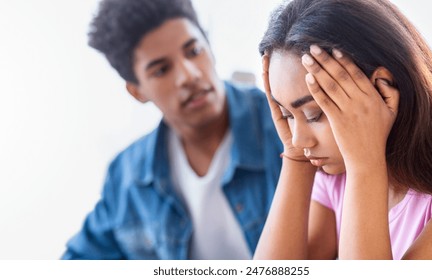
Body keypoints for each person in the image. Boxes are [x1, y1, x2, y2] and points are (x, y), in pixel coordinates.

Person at [62, 0, 282, 260]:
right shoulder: (127, 177)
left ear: (209, 45)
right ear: (137, 91)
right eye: (162, 69)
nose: (188, 75)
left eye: (193, 51)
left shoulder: (287, 125)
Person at [254, 0, 432, 260]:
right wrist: (295, 159)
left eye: (314, 114)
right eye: (287, 115)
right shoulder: (335, 178)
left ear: (382, 89)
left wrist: (365, 164)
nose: (299, 138)